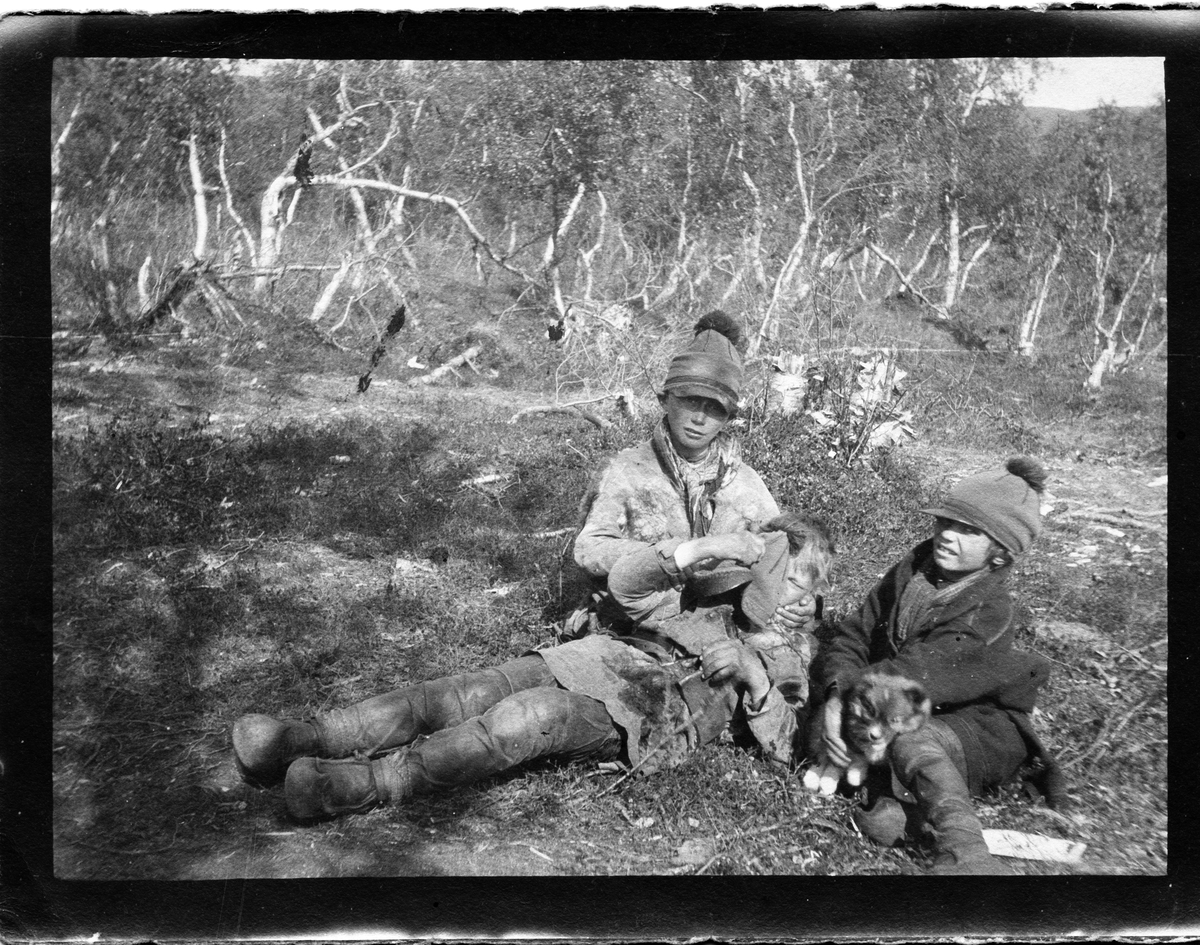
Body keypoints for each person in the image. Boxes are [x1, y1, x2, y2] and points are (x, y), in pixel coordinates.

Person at [231, 513, 834, 820]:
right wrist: (701, 551)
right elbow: (627, 584)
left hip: (645, 716)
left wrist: (756, 678)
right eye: (778, 575)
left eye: (801, 583)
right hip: (593, 658)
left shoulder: (794, 659)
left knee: (527, 717)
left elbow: (796, 744)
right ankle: (306, 737)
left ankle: (359, 786)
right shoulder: (709, 598)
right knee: (464, 692)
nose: (790, 594)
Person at [808, 457, 1067, 875]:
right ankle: (903, 813)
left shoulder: (988, 611)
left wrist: (844, 703)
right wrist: (836, 692)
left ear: (1000, 553)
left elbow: (910, 676)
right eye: (945, 522)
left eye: (969, 531)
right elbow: (853, 636)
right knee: (876, 806)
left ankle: (966, 852)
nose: (948, 535)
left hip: (974, 727)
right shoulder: (913, 571)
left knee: (910, 741)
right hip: (889, 706)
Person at [571, 311, 815, 637]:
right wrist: (681, 554)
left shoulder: (744, 482)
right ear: (665, 400)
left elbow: (782, 554)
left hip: (720, 627)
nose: (699, 418)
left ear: (728, 417)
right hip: (633, 625)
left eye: (715, 408)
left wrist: (806, 602)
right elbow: (588, 550)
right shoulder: (627, 471)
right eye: (690, 401)